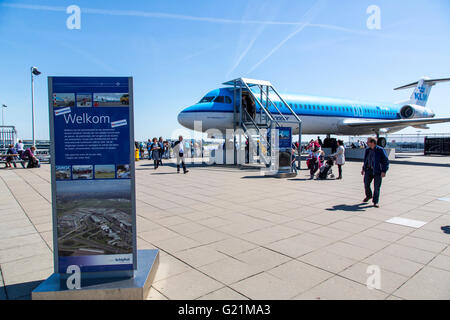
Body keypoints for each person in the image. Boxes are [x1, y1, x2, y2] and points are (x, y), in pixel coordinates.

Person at [362, 137, 389, 208]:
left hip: (377, 171)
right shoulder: (367, 150)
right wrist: (363, 169)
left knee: (376, 187)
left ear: (372, 142)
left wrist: (384, 171)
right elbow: (365, 160)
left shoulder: (380, 150)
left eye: (368, 141)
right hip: (368, 170)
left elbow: (385, 161)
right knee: (366, 184)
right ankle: (369, 196)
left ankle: (375, 201)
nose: (367, 143)